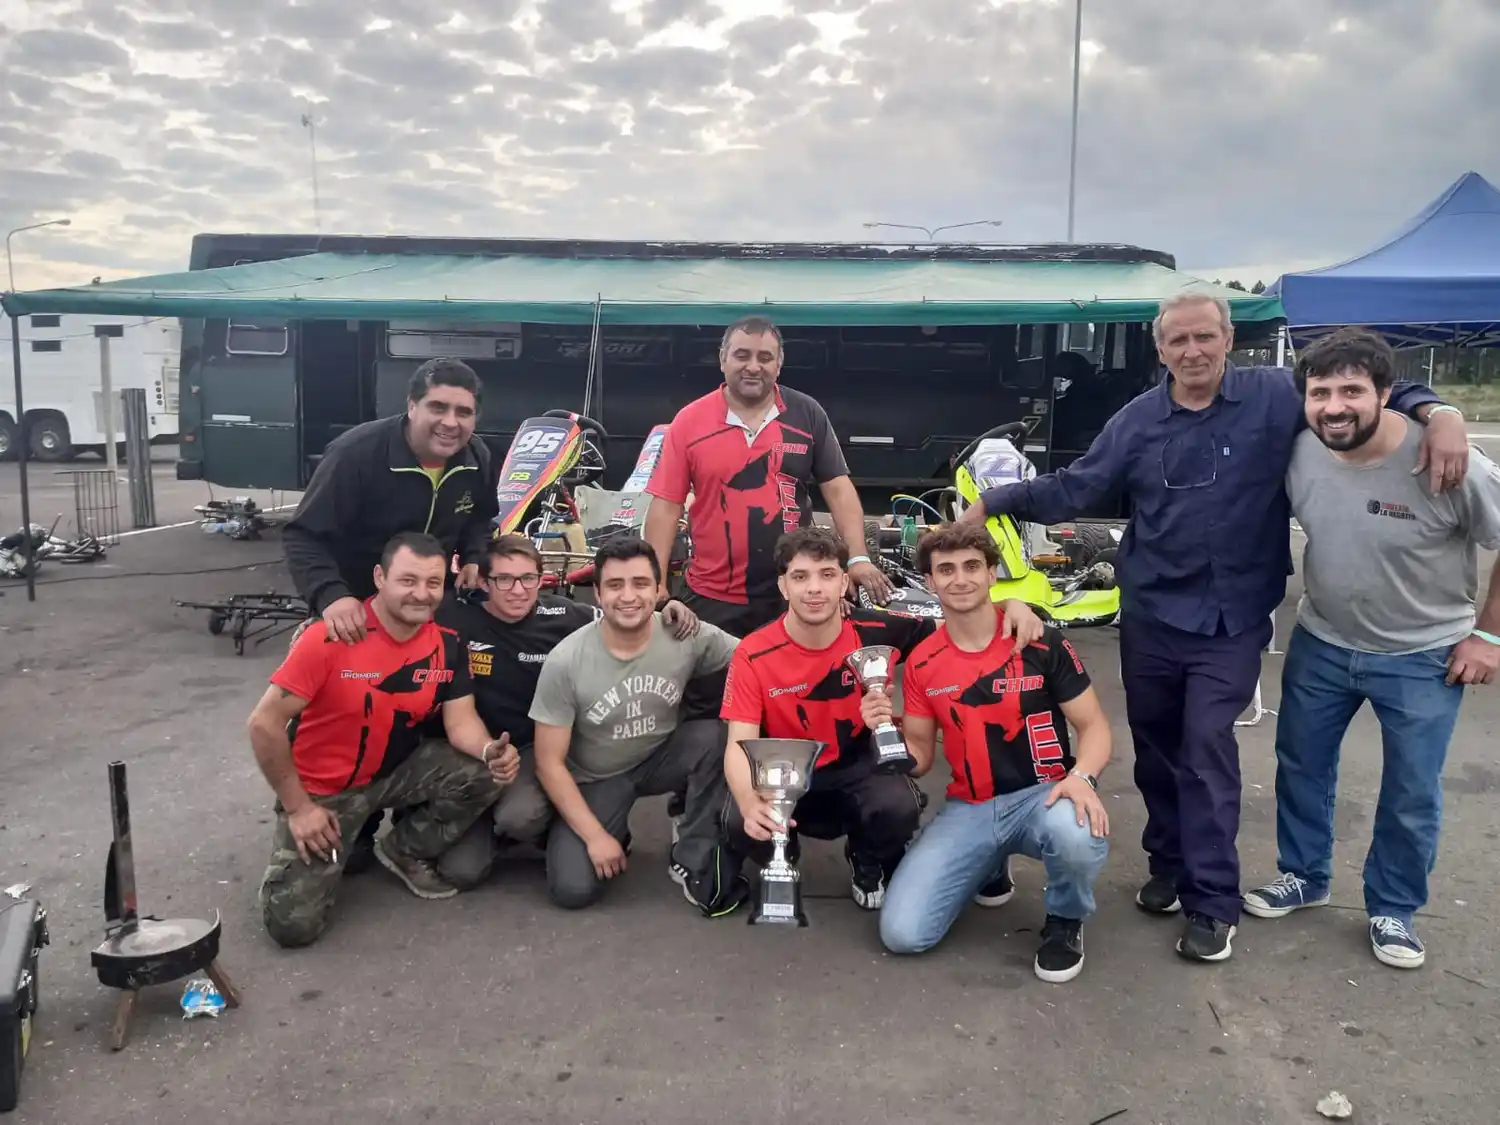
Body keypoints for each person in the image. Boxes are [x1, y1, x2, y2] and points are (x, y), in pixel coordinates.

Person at [960, 292, 1473, 963]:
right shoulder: (1138, 421)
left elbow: (1369, 387)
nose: (1193, 351)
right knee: (1158, 748)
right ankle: (1169, 864)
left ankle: (1212, 901)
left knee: (1205, 747)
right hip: (1152, 615)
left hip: (1230, 621)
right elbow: (1074, 487)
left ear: (1229, 339)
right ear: (1161, 348)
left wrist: (1442, 413)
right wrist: (992, 500)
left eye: (1205, 336)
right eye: (1178, 341)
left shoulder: (1274, 396)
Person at [1242, 328, 1500, 970]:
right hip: (1324, 641)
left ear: (1388, 394)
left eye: (1352, 390)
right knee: (1300, 765)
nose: (1335, 406)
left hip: (1424, 654)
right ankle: (1305, 875)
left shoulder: (1449, 461)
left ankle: (1394, 907)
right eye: (1320, 391)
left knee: (1412, 789)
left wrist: (1489, 635)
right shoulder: (1299, 452)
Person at [721, 526, 1044, 909]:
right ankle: (781, 854)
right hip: (786, 770)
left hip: (857, 762)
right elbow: (738, 745)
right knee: (737, 820)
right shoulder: (753, 652)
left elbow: (963, 621)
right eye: (800, 577)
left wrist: (1012, 606)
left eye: (826, 575)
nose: (814, 589)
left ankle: (868, 856)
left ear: (844, 582)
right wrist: (746, 799)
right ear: (783, 586)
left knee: (897, 806)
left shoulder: (878, 629)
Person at [247, 532, 518, 948]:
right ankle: (308, 850)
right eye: (407, 580)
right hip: (326, 792)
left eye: (432, 582)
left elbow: (461, 722)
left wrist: (488, 751)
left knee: (486, 774)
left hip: (396, 772)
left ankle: (402, 848)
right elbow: (263, 725)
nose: (421, 594)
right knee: (292, 928)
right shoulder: (329, 638)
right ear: (379, 577)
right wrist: (300, 808)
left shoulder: (446, 645)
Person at [283, 357, 500, 872]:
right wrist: (330, 596)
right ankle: (320, 810)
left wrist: (472, 556)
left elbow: (480, 515)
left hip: (426, 607)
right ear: (410, 406)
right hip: (354, 607)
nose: (451, 422)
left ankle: (406, 816)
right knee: (334, 710)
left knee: (420, 706)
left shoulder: (477, 457)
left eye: (464, 412)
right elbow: (302, 534)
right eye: (438, 407)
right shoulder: (356, 454)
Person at [878, 523, 1113, 984]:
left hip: (1045, 795)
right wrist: (884, 727)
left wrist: (1082, 777)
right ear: (930, 581)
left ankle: (1065, 921)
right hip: (973, 805)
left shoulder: (1039, 640)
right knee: (903, 934)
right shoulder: (923, 662)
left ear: (991, 574)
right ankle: (988, 861)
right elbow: (921, 759)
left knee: (1077, 832)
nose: (959, 579)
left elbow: (1094, 726)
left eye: (972, 567)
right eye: (945, 570)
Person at [432, 534, 703, 889]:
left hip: (536, 747)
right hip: (473, 749)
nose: (518, 590)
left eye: (528, 578)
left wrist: (669, 609)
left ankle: (556, 830)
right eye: (504, 579)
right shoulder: (454, 615)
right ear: (484, 582)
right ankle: (493, 831)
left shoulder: (563, 613)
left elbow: (622, 613)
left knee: (520, 815)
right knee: (459, 871)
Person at [528, 537, 746, 915]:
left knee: (716, 735)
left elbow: (757, 655)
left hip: (659, 759)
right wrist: (595, 837)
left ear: (659, 589)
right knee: (573, 889)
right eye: (615, 585)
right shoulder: (567, 661)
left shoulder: (683, 633)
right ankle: (604, 830)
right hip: (597, 778)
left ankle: (692, 853)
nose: (628, 596)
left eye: (641, 584)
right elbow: (548, 763)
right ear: (595, 593)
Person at [643, 315, 894, 637]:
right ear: (722, 359)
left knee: (797, 685)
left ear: (779, 364)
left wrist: (858, 558)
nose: (753, 366)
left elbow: (839, 490)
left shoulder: (807, 414)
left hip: (794, 593)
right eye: (742, 355)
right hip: (711, 596)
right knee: (711, 687)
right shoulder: (688, 422)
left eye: (765, 357)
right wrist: (655, 582)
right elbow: (666, 506)